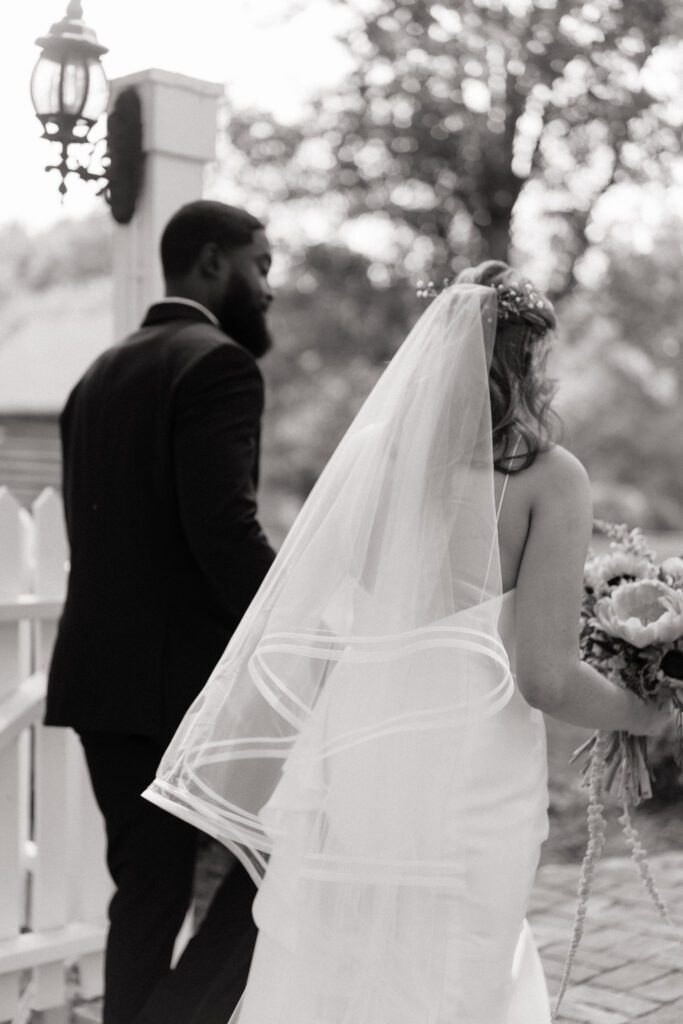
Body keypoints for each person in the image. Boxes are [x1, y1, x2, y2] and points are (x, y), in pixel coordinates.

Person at [145, 261, 668, 1024]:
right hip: (467, 778)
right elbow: (544, 676)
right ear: (526, 361)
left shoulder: (376, 459)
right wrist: (646, 714)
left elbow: (342, 611)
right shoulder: (549, 479)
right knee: (453, 976)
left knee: (332, 971)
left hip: (352, 759)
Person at [45, 201, 277, 1024]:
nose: (267, 287)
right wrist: (299, 628)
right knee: (279, 860)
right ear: (211, 263)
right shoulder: (217, 366)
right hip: (179, 690)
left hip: (98, 685)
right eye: (261, 263)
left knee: (144, 896)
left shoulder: (97, 374)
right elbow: (224, 532)